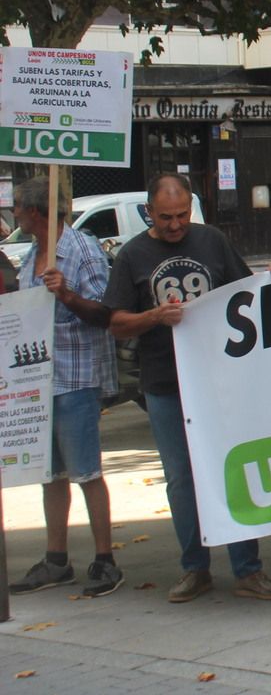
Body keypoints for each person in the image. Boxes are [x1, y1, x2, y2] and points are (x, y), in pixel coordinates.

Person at [102, 174, 271, 603]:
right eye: (165, 217)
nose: (174, 225)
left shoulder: (212, 241)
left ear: (192, 208)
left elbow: (245, 292)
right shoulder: (132, 255)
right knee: (181, 480)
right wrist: (154, 318)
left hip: (218, 380)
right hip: (165, 385)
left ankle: (248, 569)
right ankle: (194, 567)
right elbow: (114, 323)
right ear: (149, 212)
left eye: (182, 215)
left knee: (234, 468)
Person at [7, 178, 123, 598]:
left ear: (37, 211)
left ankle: (105, 559)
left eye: (18, 207)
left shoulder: (80, 249)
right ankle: (56, 559)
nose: (14, 213)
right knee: (49, 472)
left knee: (86, 470)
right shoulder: (33, 255)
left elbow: (106, 311)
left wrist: (67, 295)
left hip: (76, 376)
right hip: (38, 380)